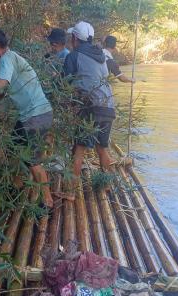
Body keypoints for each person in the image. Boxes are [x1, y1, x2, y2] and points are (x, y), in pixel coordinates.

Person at [0, 29, 54, 208]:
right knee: (12, 150)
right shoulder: (12, 58)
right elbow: (1, 91)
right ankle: (15, 187)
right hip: (36, 115)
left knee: (33, 161)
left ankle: (47, 202)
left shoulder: (6, 59)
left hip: (34, 117)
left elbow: (1, 84)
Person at [63, 21, 116, 195]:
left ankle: (70, 193)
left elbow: (65, 85)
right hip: (108, 106)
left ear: (74, 37)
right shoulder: (101, 55)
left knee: (79, 149)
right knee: (102, 148)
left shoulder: (73, 56)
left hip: (90, 108)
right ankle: (107, 186)